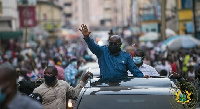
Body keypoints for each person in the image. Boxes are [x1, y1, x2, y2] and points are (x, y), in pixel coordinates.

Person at [79, 24, 147, 80]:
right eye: (111, 44)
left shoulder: (126, 56)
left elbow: (134, 69)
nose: (113, 46)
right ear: (109, 43)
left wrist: (142, 76)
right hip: (105, 87)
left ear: (120, 45)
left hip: (122, 87)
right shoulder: (103, 52)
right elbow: (93, 46)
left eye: (115, 44)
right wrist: (87, 37)